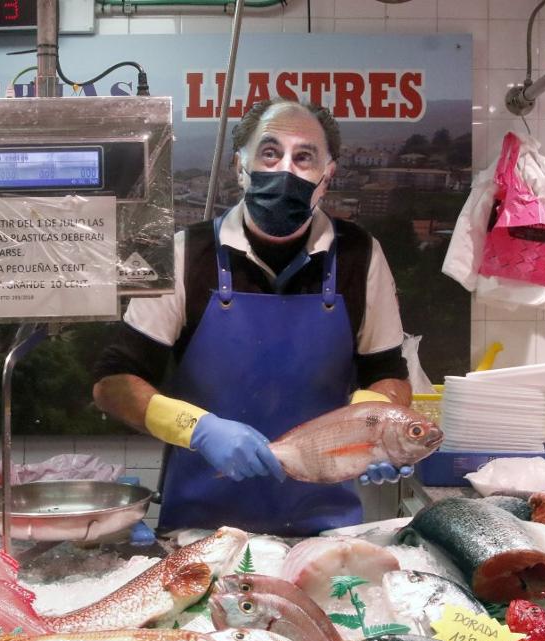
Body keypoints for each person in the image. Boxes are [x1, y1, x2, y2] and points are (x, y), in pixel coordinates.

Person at [93, 98, 412, 534]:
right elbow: (114, 384)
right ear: (238, 165)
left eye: (304, 157)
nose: (285, 170)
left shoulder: (360, 255)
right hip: (200, 527)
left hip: (325, 529)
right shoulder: (186, 253)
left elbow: (387, 371)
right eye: (269, 152)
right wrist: (198, 428)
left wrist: (377, 426)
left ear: (328, 173)